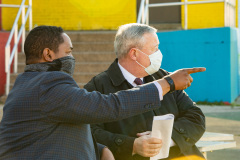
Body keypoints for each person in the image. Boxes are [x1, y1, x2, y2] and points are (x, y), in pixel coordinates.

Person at [0, 25, 205, 160]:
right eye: (69, 52)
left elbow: (60, 130)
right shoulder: (49, 84)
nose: (72, 58)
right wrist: (167, 83)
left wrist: (100, 150)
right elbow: (106, 107)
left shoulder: (27, 84)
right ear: (48, 54)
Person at [84, 23, 206, 160]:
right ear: (134, 53)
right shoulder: (97, 87)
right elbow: (89, 133)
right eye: (155, 49)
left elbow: (196, 117)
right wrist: (132, 145)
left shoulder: (165, 78)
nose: (159, 53)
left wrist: (165, 138)